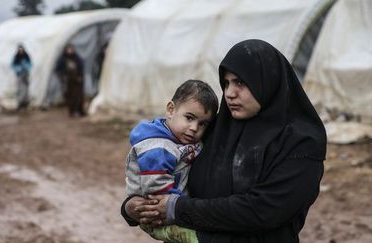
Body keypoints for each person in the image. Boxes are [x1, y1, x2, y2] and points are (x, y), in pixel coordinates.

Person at [121, 39, 327, 243]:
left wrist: (177, 208)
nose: (230, 93)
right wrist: (133, 206)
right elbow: (167, 166)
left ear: (267, 81)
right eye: (226, 83)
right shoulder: (216, 130)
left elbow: (263, 210)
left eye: (240, 82)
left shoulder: (301, 143)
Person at [125, 79, 219, 242]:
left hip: (172, 207)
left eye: (202, 124)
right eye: (189, 118)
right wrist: (181, 207)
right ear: (170, 110)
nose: (194, 128)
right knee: (194, 238)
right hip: (155, 212)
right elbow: (156, 186)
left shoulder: (179, 139)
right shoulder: (158, 146)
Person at [56, 43, 85, 117]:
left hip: (77, 80)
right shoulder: (62, 59)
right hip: (68, 81)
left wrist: (80, 76)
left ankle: (80, 111)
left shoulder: (76, 58)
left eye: (71, 49)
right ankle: (72, 111)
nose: (70, 51)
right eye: (68, 49)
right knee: (70, 97)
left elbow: (80, 67)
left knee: (79, 96)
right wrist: (62, 77)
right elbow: (58, 69)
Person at [11, 44, 32, 111]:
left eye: (22, 50)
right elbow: (13, 65)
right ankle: (20, 103)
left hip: (26, 75)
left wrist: (26, 66)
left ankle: (25, 102)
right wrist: (19, 68)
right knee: (20, 89)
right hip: (19, 75)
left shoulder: (26, 56)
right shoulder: (16, 58)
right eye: (20, 50)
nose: (21, 51)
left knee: (26, 88)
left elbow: (30, 64)